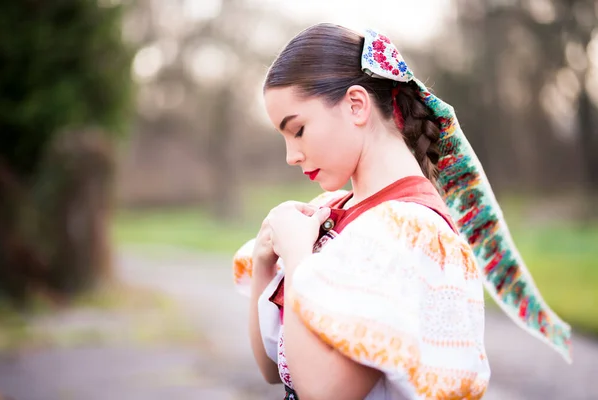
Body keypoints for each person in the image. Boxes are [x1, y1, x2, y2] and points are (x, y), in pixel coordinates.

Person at [232, 23, 572, 400]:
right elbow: (271, 369)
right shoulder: (329, 213)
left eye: (297, 130)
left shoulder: (410, 233)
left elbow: (325, 392)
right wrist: (265, 263)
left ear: (356, 105)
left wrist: (297, 258)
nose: (290, 155)